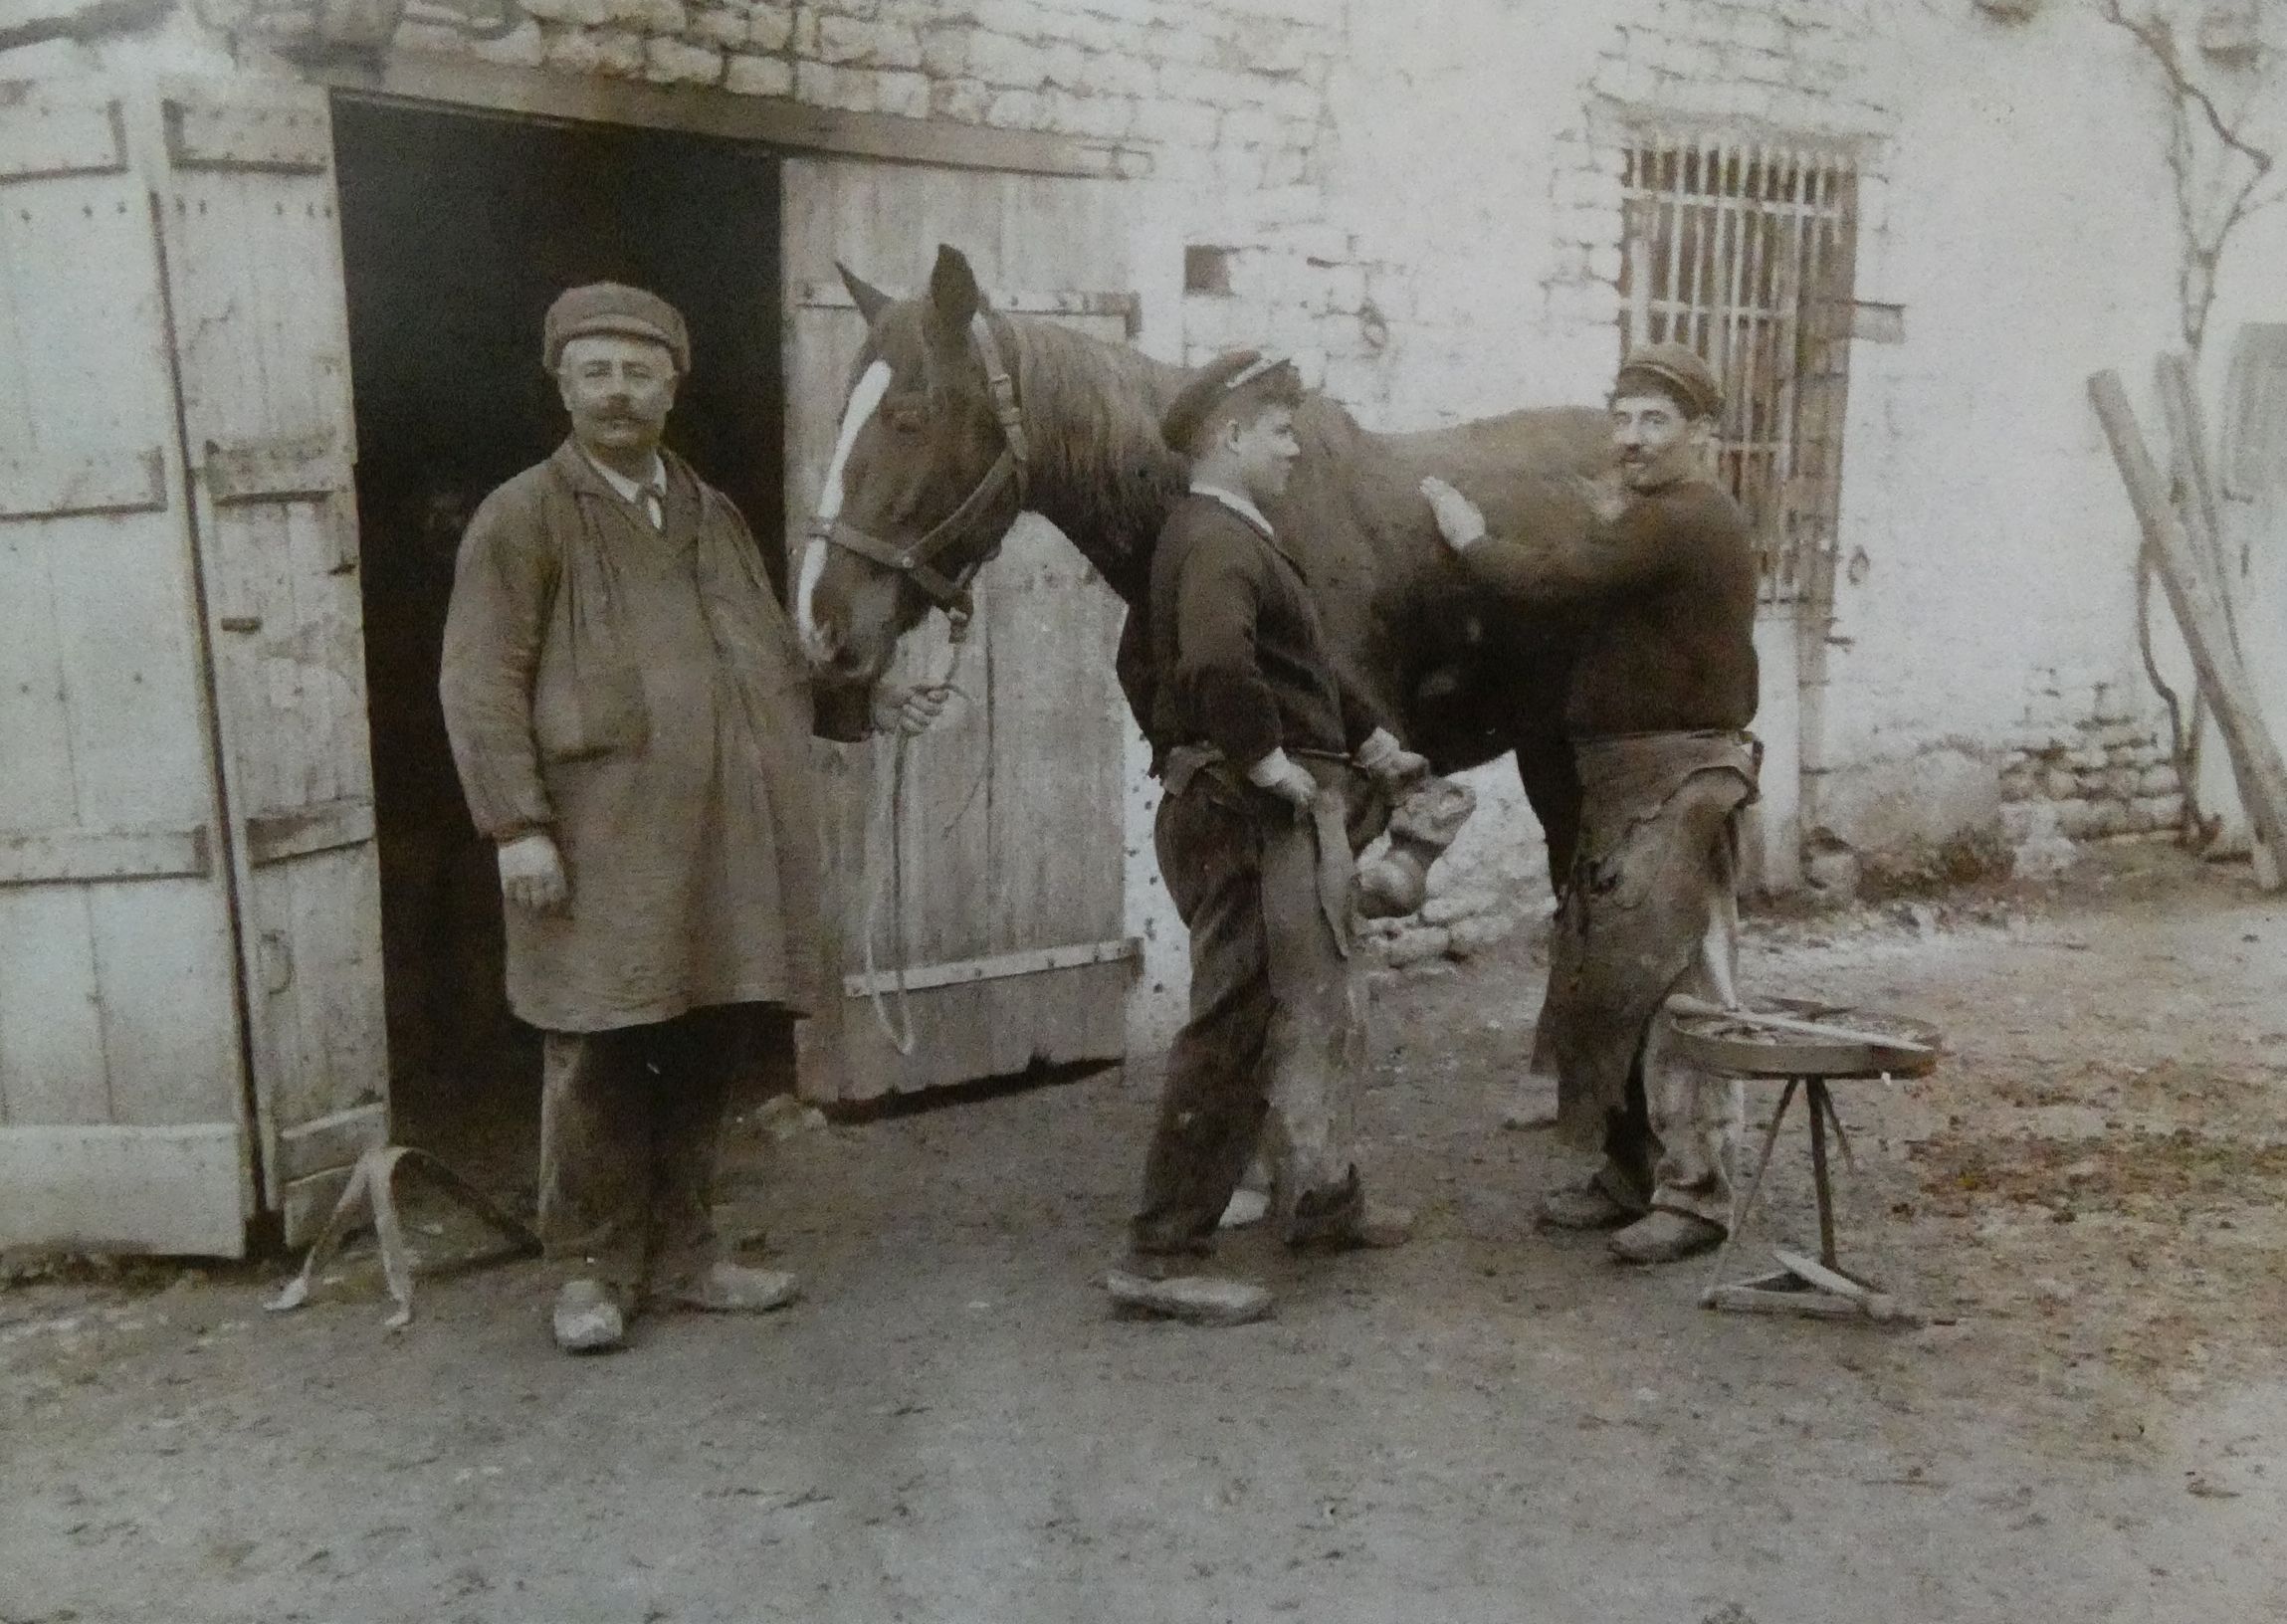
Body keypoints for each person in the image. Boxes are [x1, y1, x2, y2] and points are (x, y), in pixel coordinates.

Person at [440, 282, 943, 1352]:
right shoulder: (521, 516)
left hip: (722, 841)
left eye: (637, 372)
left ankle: (684, 1250)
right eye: (595, 373)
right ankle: (587, 1269)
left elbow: (765, 653)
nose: (617, 393)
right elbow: (480, 683)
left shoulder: (710, 512)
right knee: (598, 1049)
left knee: (707, 1038)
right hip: (597, 838)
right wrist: (517, 825)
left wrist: (866, 697)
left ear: (673, 383)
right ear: (563, 386)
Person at [1421, 340, 1761, 1265]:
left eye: (1656, 422)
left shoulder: (1684, 520)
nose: (1633, 439)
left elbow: (1553, 581)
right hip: (1624, 782)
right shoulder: (1647, 518)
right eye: (1622, 419)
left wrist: (1467, 537)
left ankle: (1697, 1197)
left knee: (1683, 986)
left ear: (1702, 435)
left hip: (1676, 781)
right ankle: (1629, 1175)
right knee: (1618, 989)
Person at [1108, 350, 1427, 1325]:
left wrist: (1367, 737)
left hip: (1255, 807)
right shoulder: (1218, 538)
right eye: (1281, 430)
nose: (1296, 446)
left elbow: (1260, 661)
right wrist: (1256, 761)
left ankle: (1320, 1202)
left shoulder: (1225, 536)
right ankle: (1162, 1252)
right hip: (1250, 818)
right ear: (1231, 437)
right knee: (1236, 1019)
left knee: (1299, 1004)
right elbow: (1212, 662)